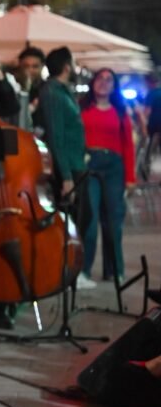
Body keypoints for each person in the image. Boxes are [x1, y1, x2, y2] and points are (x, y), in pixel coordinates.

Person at [36, 46, 93, 288]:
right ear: (66, 66)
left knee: (82, 218)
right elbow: (56, 135)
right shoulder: (52, 92)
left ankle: (71, 272)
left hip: (76, 163)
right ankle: (67, 274)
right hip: (67, 167)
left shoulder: (61, 90)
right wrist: (66, 176)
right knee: (74, 220)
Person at [79, 68, 135, 283]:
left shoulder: (120, 112)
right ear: (93, 82)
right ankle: (83, 271)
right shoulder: (82, 109)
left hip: (114, 167)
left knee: (113, 222)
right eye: (100, 78)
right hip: (90, 165)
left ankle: (114, 270)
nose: (104, 82)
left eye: (109, 79)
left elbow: (128, 145)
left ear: (114, 86)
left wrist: (130, 178)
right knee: (90, 220)